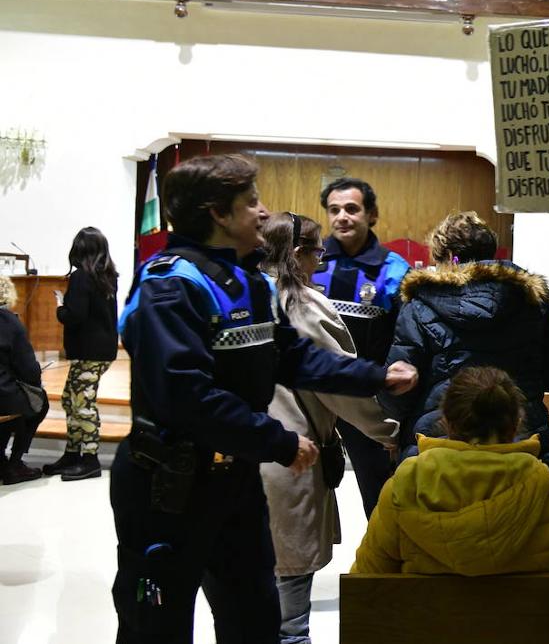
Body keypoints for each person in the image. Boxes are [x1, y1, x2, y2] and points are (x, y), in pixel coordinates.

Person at [110, 154, 418, 644]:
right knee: (157, 624)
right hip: (166, 487)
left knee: (253, 618)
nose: (263, 211)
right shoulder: (171, 285)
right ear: (217, 213)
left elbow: (296, 359)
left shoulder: (248, 282)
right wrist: (277, 440)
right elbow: (186, 395)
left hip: (234, 480)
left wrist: (376, 377)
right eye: (250, 200)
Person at [258, 212, 399, 644]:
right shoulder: (304, 305)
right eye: (317, 252)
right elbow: (338, 385)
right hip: (292, 453)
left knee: (246, 593)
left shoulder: (239, 294)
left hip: (243, 448)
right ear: (298, 253)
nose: (321, 260)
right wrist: (386, 430)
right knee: (290, 605)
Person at [352, 365, 549, 575]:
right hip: (523, 624)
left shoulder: (405, 486)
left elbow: (366, 584)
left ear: (447, 422)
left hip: (428, 622)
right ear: (515, 424)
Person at [384, 211, 549, 467]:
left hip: (441, 442)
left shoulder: (419, 305)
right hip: (518, 440)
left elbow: (398, 390)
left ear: (448, 257)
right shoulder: (531, 301)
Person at [313, 177, 409, 518]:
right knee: (307, 492)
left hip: (368, 399)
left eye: (352, 209)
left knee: (380, 497)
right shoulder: (311, 262)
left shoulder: (394, 270)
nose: (342, 217)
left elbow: (404, 340)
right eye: (334, 210)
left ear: (372, 215)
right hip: (314, 397)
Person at [45, 226, 119, 481]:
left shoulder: (81, 277)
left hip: (89, 352)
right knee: (70, 399)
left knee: (82, 403)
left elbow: (75, 316)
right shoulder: (107, 276)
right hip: (102, 351)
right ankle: (72, 453)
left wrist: (60, 306)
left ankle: (90, 459)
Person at [0, 275, 49, 485]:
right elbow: (29, 370)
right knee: (39, 403)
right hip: (3, 394)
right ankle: (15, 463)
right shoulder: (10, 322)